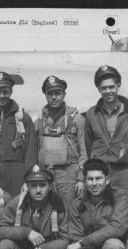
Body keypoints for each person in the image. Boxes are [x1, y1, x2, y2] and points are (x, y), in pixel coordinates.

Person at [0, 164, 70, 249]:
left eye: (42, 185)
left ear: (50, 186)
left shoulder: (60, 205)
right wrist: (25, 232)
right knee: (5, 246)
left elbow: (65, 240)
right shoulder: (17, 203)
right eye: (33, 186)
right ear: (27, 187)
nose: (38, 190)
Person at [61, 158, 128, 249]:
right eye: (90, 179)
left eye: (98, 178)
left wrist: (82, 243)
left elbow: (118, 227)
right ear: (85, 181)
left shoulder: (120, 197)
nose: (94, 183)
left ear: (107, 179)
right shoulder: (77, 204)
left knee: (113, 245)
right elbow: (74, 237)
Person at [84, 65, 128, 199]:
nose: (108, 91)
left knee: (127, 210)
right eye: (104, 88)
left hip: (125, 171)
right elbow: (88, 144)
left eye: (112, 87)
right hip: (100, 172)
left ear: (118, 85)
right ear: (98, 89)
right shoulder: (91, 114)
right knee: (103, 211)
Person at [34, 75, 87, 206]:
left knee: (68, 212)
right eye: (50, 93)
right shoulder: (39, 122)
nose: (54, 97)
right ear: (45, 95)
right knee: (48, 212)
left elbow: (84, 151)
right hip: (46, 174)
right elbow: (35, 151)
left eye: (58, 93)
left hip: (69, 175)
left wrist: (81, 178)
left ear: (64, 94)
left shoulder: (77, 119)